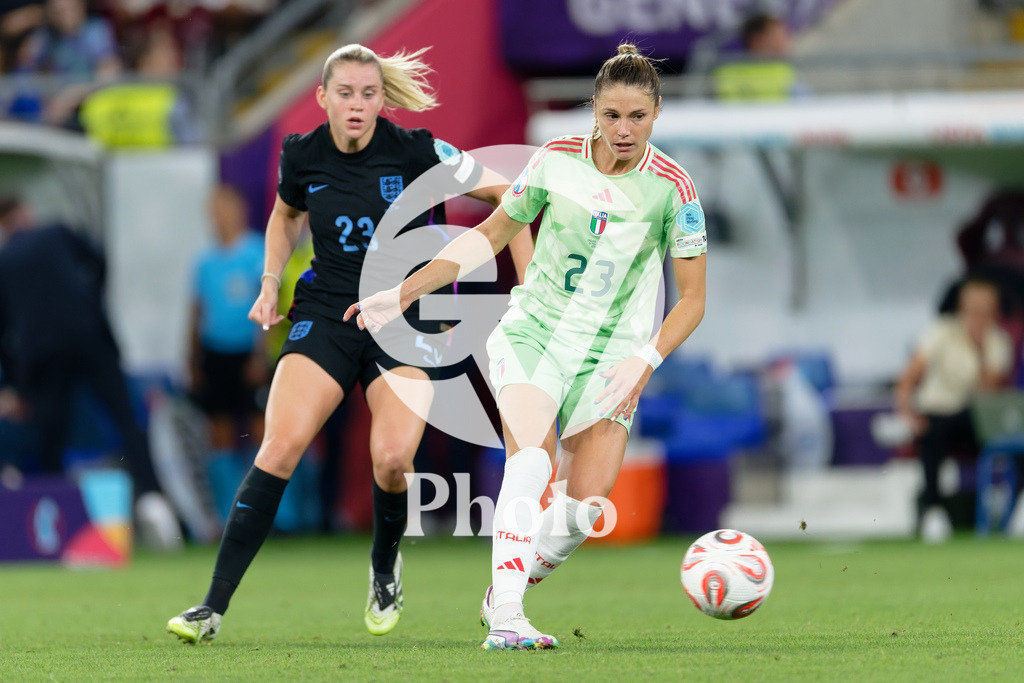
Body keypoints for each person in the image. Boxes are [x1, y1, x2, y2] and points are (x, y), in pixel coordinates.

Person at [167, 43, 532, 644]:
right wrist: (267, 280)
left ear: (382, 100)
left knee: (391, 461)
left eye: (368, 94)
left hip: (407, 321)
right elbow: (285, 217)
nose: (357, 105)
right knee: (279, 448)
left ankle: (384, 568)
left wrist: (527, 280)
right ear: (323, 98)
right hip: (327, 315)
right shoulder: (301, 154)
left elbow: (510, 194)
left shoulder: (418, 149)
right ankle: (211, 608)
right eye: (345, 94)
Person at [347, 43, 708, 650]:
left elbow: (693, 299)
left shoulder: (674, 189)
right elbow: (490, 234)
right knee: (532, 460)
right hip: (533, 334)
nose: (623, 129)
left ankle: (501, 594)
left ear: (656, 114)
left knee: (582, 510)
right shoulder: (554, 161)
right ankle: (509, 618)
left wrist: (646, 360)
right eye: (612, 115)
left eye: (637, 117)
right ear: (594, 110)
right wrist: (401, 295)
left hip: (613, 356)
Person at [0, 194, 180, 550]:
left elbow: (3, 332)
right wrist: (89, 302)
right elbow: (99, 261)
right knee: (126, 420)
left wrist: (16, 386)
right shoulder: (56, 231)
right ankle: (155, 502)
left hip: (43, 356)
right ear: (23, 214)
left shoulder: (4, 260)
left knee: (51, 438)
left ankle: (53, 530)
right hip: (89, 337)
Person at [894, 278, 1013, 542]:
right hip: (936, 414)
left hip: (974, 420)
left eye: (985, 310)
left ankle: (1006, 512)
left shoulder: (998, 341)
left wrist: (979, 348)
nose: (977, 316)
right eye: (973, 309)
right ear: (961, 307)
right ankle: (932, 509)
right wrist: (908, 416)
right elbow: (908, 379)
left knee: (1013, 444)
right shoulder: (941, 332)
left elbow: (987, 392)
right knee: (934, 430)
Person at [187, 183, 267, 521]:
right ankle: (228, 514)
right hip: (215, 352)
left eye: (224, 208)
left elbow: (270, 305)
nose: (218, 217)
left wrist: (260, 355)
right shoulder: (204, 261)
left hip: (247, 351)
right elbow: (196, 311)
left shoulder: (257, 252)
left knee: (259, 429)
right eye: (213, 210)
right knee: (218, 433)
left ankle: (269, 513)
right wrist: (191, 359)